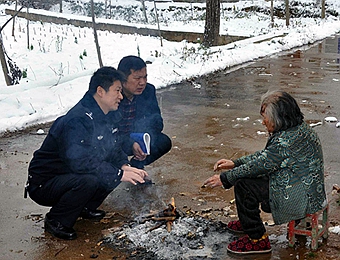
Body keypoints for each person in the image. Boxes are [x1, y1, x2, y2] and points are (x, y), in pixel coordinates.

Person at [25, 67, 148, 240]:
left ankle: (84, 206)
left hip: (68, 175)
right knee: (92, 178)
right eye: (117, 91)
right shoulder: (77, 120)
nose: (121, 96)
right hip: (45, 183)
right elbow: (79, 161)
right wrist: (118, 173)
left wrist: (124, 166)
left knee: (111, 171)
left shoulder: (108, 115)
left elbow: (113, 146)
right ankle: (56, 220)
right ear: (100, 91)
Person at [203, 90, 327, 254]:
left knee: (244, 185)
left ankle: (258, 239)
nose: (263, 122)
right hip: (306, 188)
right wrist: (235, 163)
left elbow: (260, 165)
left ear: (279, 118)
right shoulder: (297, 129)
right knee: (253, 176)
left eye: (265, 117)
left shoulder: (286, 140)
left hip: (302, 197)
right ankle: (248, 221)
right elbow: (265, 157)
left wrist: (225, 179)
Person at [116, 55, 172, 169]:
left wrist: (142, 139)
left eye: (145, 77)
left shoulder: (148, 91)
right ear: (123, 79)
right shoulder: (112, 95)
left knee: (163, 141)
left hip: (137, 137)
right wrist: (130, 143)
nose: (142, 83)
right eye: (137, 78)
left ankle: (137, 165)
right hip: (115, 140)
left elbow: (157, 122)